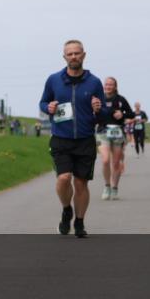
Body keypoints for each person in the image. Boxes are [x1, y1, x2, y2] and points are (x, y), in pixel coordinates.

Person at [39, 39, 109, 238]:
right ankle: (66, 209)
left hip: (85, 139)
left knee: (80, 184)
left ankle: (79, 222)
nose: (73, 57)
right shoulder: (54, 80)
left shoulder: (94, 82)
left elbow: (103, 114)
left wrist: (99, 109)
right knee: (63, 178)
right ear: (64, 57)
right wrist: (48, 108)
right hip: (61, 138)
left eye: (77, 53)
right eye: (69, 54)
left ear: (84, 55)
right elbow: (43, 103)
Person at [96, 77, 134, 201]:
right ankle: (107, 186)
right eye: (106, 84)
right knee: (106, 160)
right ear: (103, 86)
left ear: (115, 86)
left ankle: (114, 188)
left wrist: (122, 114)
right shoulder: (98, 99)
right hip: (102, 132)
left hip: (117, 132)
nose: (108, 86)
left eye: (111, 84)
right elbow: (91, 113)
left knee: (116, 163)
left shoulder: (121, 100)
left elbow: (131, 114)